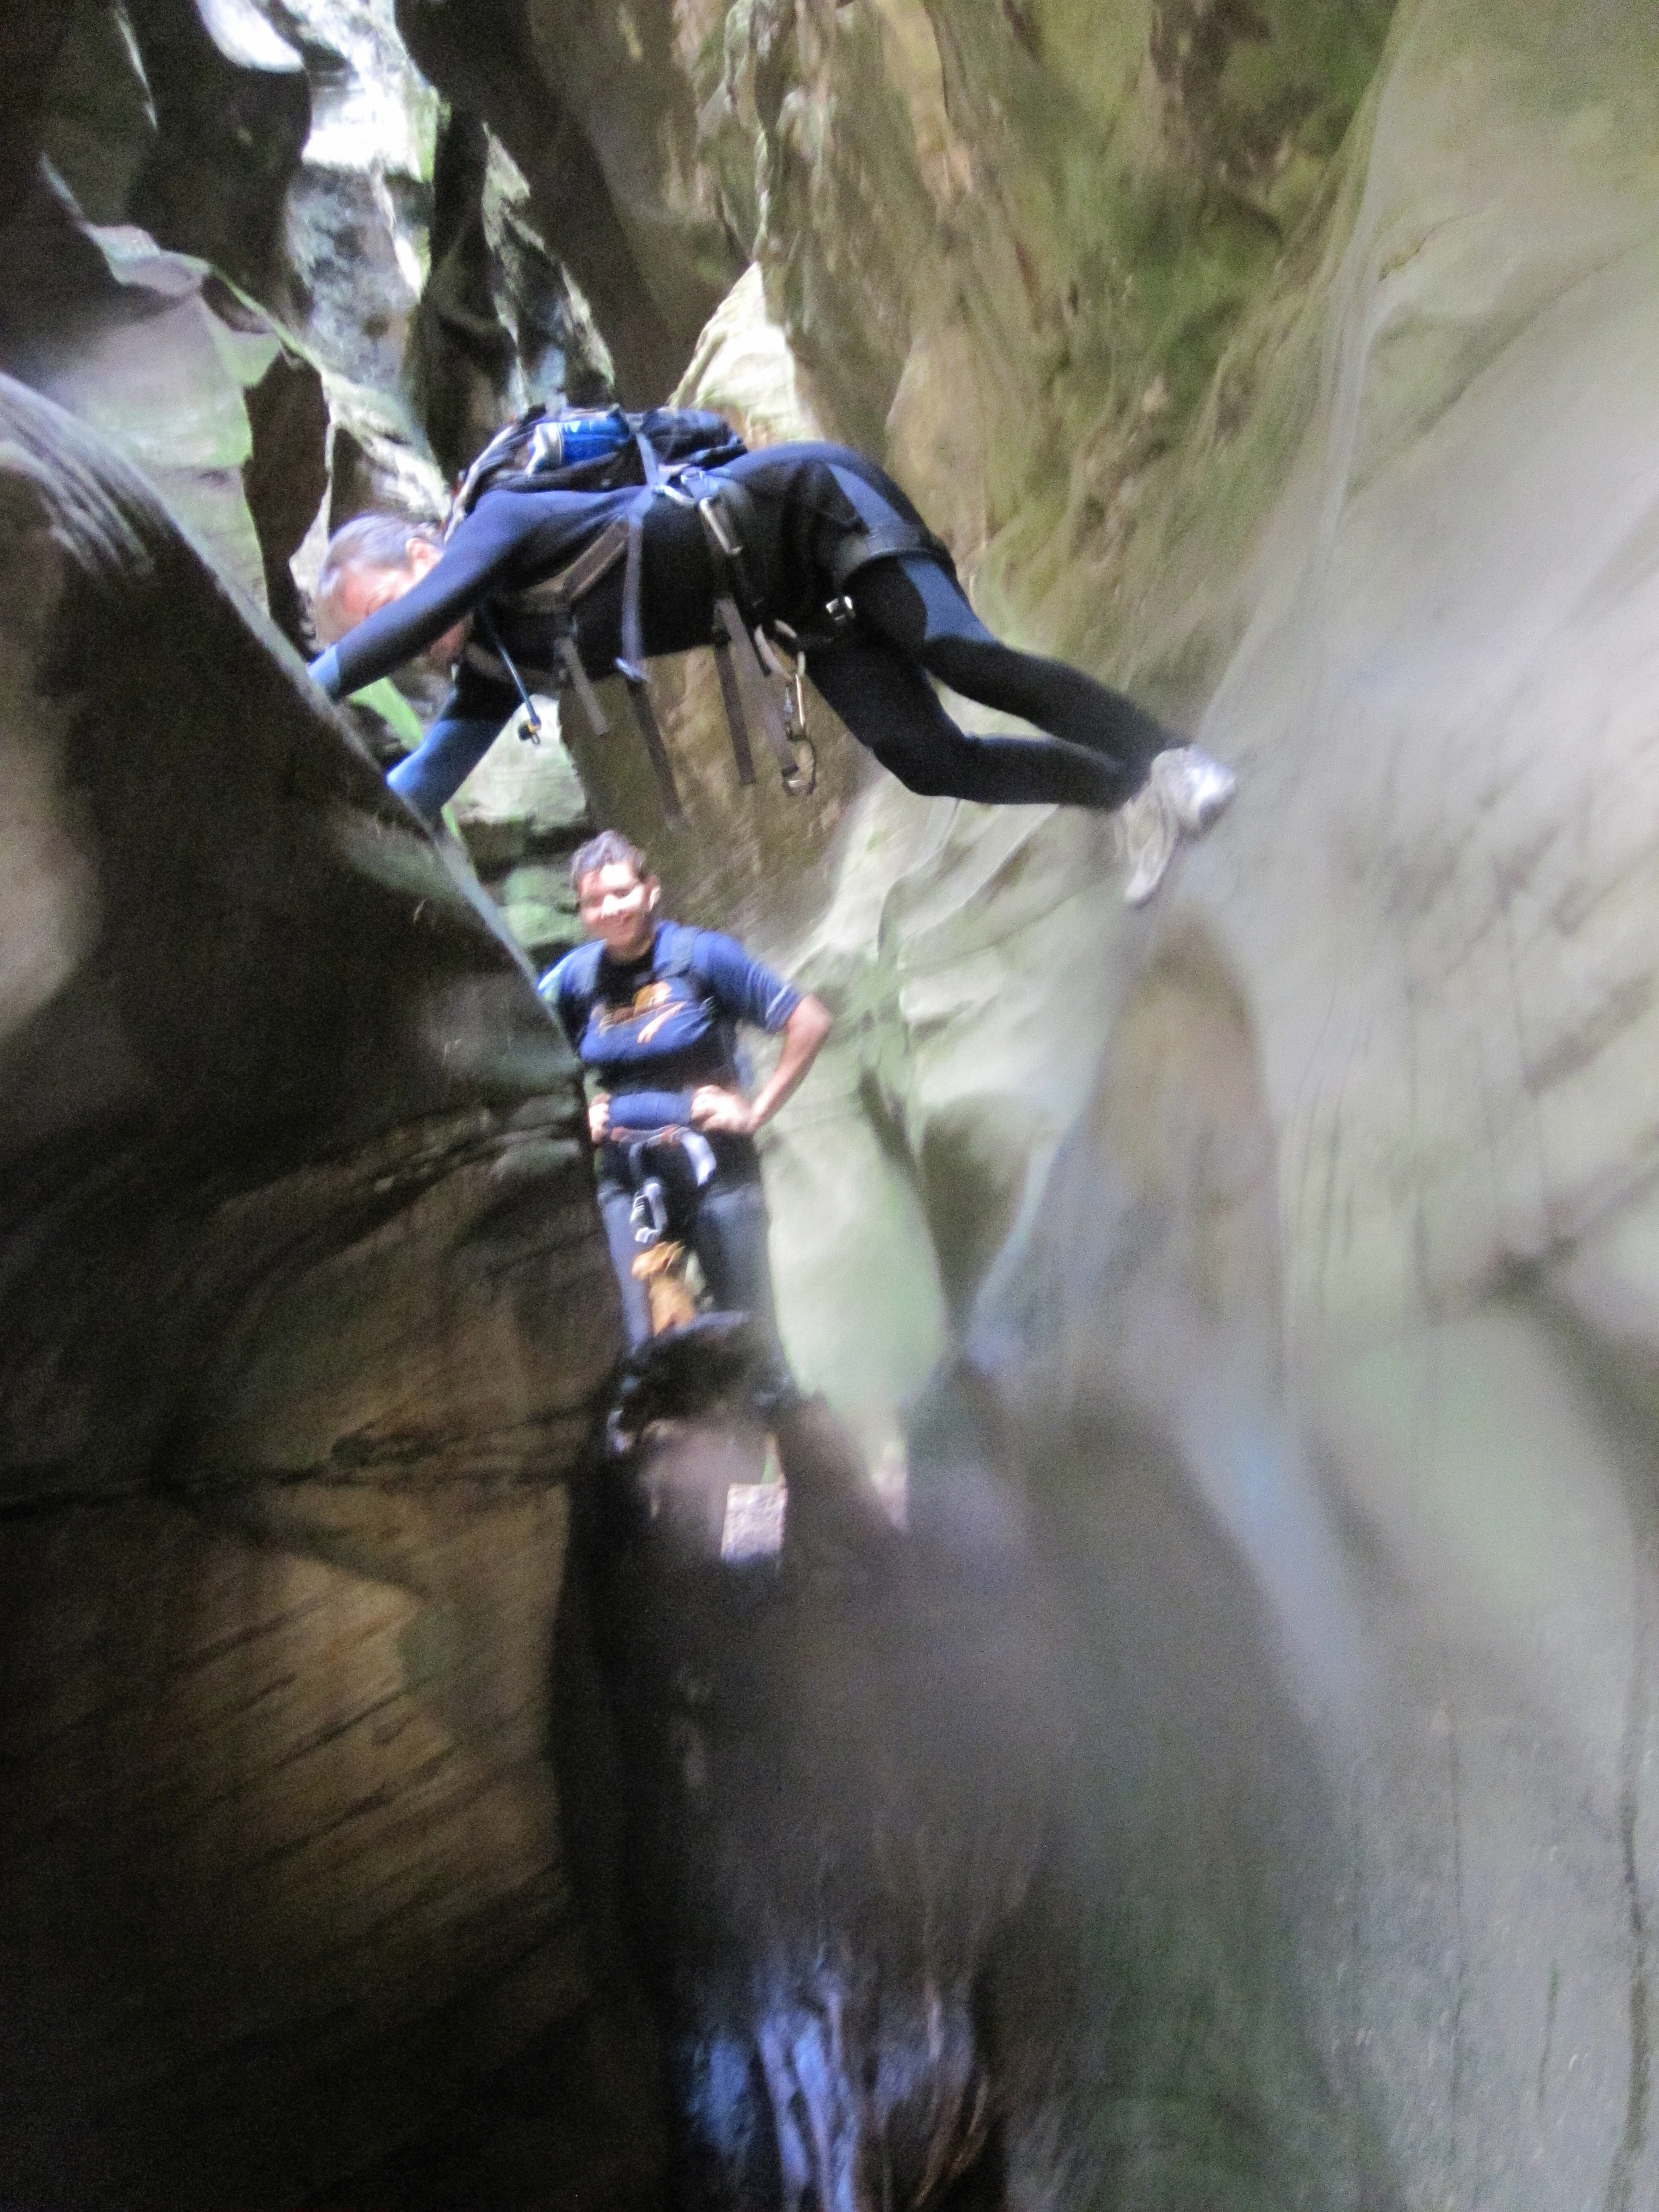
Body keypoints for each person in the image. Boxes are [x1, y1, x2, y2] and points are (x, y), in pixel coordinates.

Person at [307, 435, 1234, 905]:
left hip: (816, 505)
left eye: (390, 606)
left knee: (959, 654)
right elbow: (418, 787)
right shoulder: (497, 662)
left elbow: (422, 617)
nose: (414, 638)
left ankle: (1172, 756)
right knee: (928, 758)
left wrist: (309, 684)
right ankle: (1122, 793)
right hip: (798, 605)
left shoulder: (497, 522)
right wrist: (322, 834)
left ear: (427, 555)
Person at [540, 828, 830, 1407]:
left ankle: (818, 1482)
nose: (610, 909)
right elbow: (523, 1045)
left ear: (651, 890)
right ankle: (684, 1485)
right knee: (638, 1352)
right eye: (594, 901)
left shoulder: (703, 957)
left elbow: (810, 1021)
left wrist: (755, 1109)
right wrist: (576, 1115)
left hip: (716, 1177)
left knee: (755, 1348)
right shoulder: (575, 979)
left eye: (621, 892)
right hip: (628, 1181)